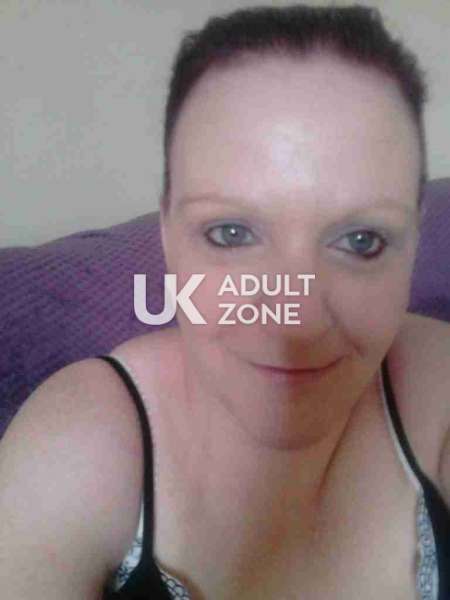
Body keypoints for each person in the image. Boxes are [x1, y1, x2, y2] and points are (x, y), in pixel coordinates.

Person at [1, 4, 449, 599]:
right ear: (167, 232)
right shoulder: (79, 448)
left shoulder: (440, 387)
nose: (294, 322)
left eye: (361, 240)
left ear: (414, 243)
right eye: (231, 233)